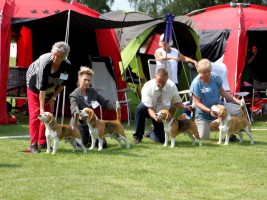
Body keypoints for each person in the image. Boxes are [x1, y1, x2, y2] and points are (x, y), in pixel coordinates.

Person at [26, 41, 71, 153]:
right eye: (54, 54)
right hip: (34, 85)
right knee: (37, 113)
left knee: (49, 114)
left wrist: (53, 98)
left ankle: (43, 142)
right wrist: (41, 108)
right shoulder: (45, 62)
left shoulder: (67, 65)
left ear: (64, 57)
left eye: (59, 56)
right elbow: (42, 87)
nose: (55, 57)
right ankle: (34, 144)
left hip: (51, 88)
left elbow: (62, 84)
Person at [133, 67, 191, 144]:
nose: (160, 84)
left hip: (162, 114)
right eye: (159, 81)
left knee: (161, 140)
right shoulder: (147, 87)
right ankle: (137, 137)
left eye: (163, 82)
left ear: (167, 79)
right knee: (140, 108)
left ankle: (151, 132)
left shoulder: (171, 86)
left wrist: (184, 106)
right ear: (155, 77)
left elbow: (176, 102)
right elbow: (149, 108)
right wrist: (155, 117)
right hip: (149, 110)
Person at [190, 59, 243, 140]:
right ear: (199, 72)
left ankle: (230, 135)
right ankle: (195, 132)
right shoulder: (196, 83)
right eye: (204, 72)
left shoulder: (215, 77)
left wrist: (236, 100)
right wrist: (209, 111)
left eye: (208, 71)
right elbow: (197, 103)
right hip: (203, 113)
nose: (207, 74)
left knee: (237, 110)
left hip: (219, 107)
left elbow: (223, 92)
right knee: (203, 138)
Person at [69, 66, 116, 148]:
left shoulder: (93, 91)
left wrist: (116, 108)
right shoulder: (74, 95)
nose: (87, 82)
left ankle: (91, 140)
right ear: (79, 79)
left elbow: (105, 102)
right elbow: (73, 108)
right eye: (85, 80)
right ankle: (75, 138)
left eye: (89, 80)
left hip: (93, 123)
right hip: (80, 124)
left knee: (103, 145)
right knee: (83, 144)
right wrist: (78, 115)